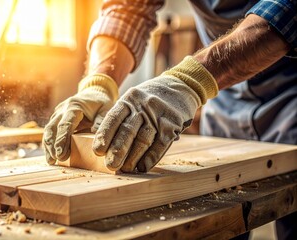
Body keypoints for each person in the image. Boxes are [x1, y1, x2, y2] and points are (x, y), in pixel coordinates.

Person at [43, 0, 296, 239]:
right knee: (218, 221)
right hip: (223, 95)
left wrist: (191, 79)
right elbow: (128, 9)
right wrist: (99, 83)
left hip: (290, 95)